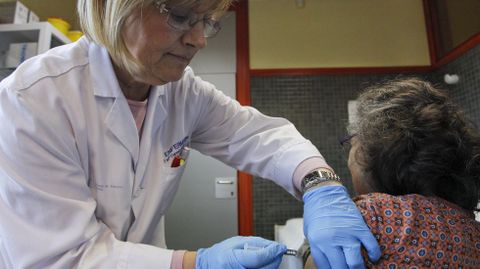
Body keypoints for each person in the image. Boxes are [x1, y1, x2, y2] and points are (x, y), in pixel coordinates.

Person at [0, 0, 380, 268]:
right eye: (181, 16)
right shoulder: (33, 101)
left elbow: (254, 135)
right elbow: (60, 259)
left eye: (208, 22)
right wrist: (195, 263)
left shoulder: (181, 91)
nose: (199, 39)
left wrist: (320, 185)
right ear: (111, 6)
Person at [305, 78, 480, 269]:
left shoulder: (370, 216)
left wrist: (305, 251)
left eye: (351, 142)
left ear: (373, 157)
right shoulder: (471, 230)